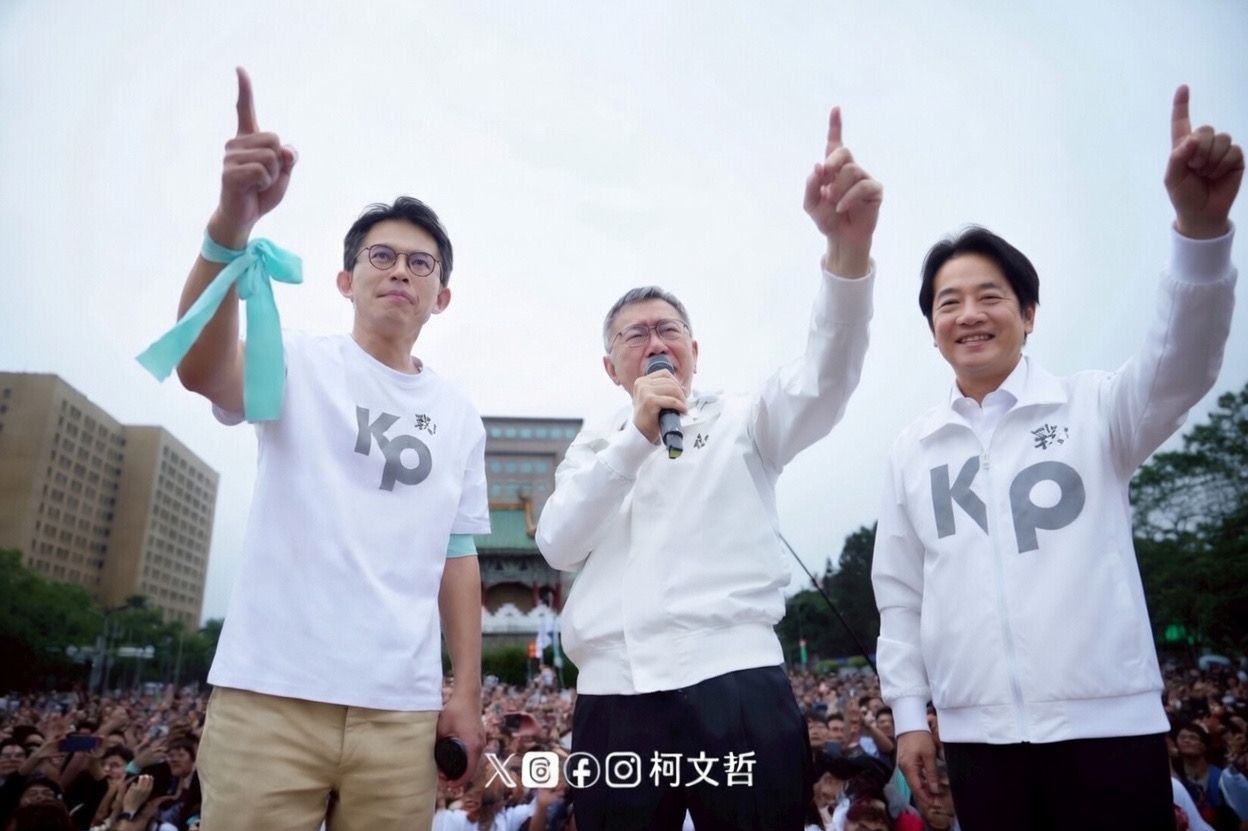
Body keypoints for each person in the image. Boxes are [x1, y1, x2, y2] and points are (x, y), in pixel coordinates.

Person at [871, 86, 1242, 830]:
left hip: (1109, 730)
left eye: (990, 296)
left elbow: (1185, 363)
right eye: (948, 302)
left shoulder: (1095, 408)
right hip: (978, 741)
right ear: (932, 328)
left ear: (1029, 313)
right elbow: (901, 595)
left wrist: (1200, 234)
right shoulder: (912, 450)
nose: (969, 315)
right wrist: (910, 714)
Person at [537, 106, 881, 830]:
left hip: (736, 683)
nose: (655, 343)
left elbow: (826, 378)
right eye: (635, 335)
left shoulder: (743, 420)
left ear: (695, 351)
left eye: (669, 330)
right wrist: (635, 441)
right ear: (610, 367)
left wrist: (846, 257)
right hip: (616, 697)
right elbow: (559, 543)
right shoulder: (594, 444)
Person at [166, 69, 489, 829]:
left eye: (420, 262)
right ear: (346, 280)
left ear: (441, 296)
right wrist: (230, 224)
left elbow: (458, 555)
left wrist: (467, 692)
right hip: (270, 697)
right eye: (381, 256)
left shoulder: (459, 416)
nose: (400, 270)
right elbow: (201, 369)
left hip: (400, 712)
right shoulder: (297, 361)